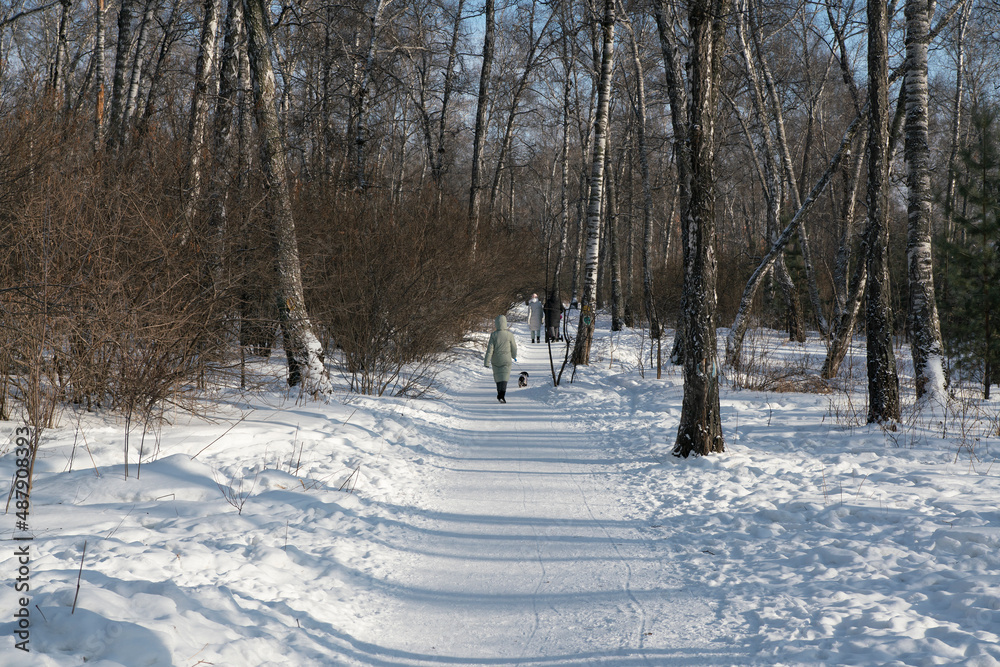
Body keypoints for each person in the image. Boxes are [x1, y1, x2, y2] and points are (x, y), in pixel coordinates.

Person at [484, 314, 518, 403]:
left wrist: (487, 361)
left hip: (496, 359)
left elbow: (490, 349)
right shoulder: (509, 335)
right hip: (506, 359)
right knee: (504, 377)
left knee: (498, 377)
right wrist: (514, 356)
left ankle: (499, 393)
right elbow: (514, 347)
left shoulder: (493, 335)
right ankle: (502, 394)